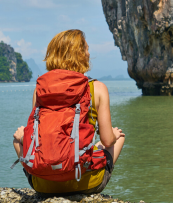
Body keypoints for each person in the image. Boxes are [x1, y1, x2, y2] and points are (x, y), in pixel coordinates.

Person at [13, 29, 125, 196]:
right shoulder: (97, 88)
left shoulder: (40, 90)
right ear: (80, 54)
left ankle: (44, 178)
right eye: (86, 49)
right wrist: (114, 135)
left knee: (17, 138)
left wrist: (22, 136)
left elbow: (36, 137)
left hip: (43, 186)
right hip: (85, 182)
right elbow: (108, 141)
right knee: (118, 137)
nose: (89, 53)